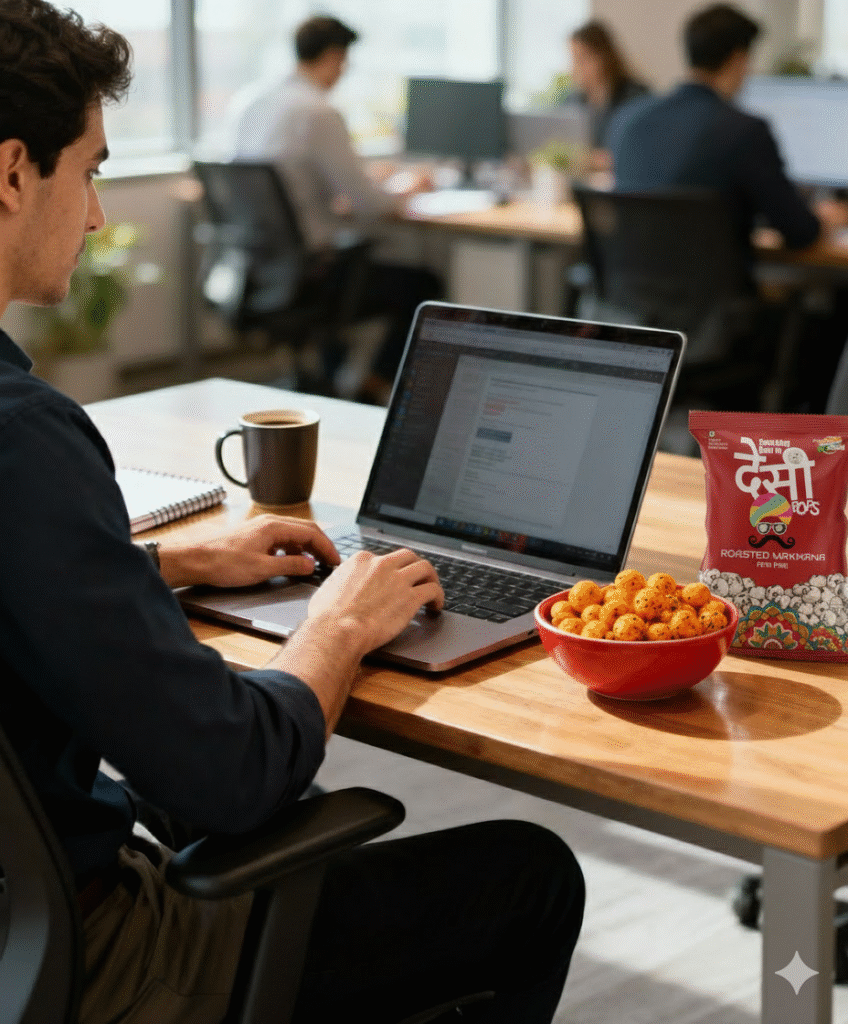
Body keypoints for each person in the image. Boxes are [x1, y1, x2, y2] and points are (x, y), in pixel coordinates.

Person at [0, 3, 585, 1023]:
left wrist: (167, 566)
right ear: (12, 174)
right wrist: (337, 628)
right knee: (524, 877)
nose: (96, 216)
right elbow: (229, 771)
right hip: (89, 961)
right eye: (91, 170)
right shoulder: (23, 440)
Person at [610, 2, 848, 410]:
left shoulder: (629, 120)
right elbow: (800, 233)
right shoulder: (743, 131)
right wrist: (827, 218)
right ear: (739, 59)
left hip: (632, 314)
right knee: (826, 315)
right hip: (714, 328)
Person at [226, 15, 442, 405]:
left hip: (261, 270)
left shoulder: (251, 102)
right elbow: (369, 204)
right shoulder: (318, 112)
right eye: (344, 61)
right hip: (314, 272)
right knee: (423, 285)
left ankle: (338, 378)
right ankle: (369, 386)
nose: (343, 72)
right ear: (332, 57)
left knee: (353, 273)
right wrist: (407, 187)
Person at [565, 20, 650, 171]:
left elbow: (644, 153)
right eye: (574, 59)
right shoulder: (573, 101)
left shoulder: (637, 98)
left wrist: (604, 159)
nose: (576, 67)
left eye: (583, 59)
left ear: (605, 57)